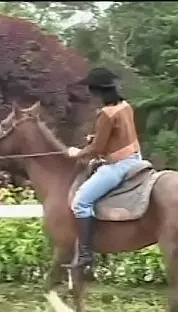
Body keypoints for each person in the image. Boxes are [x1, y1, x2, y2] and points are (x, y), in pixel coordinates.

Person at [64, 67, 144, 268]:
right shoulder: (125, 106)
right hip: (136, 158)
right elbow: (119, 137)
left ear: (96, 90)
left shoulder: (106, 114)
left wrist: (76, 152)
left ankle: (85, 255)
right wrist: (97, 139)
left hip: (119, 166)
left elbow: (96, 150)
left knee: (81, 202)